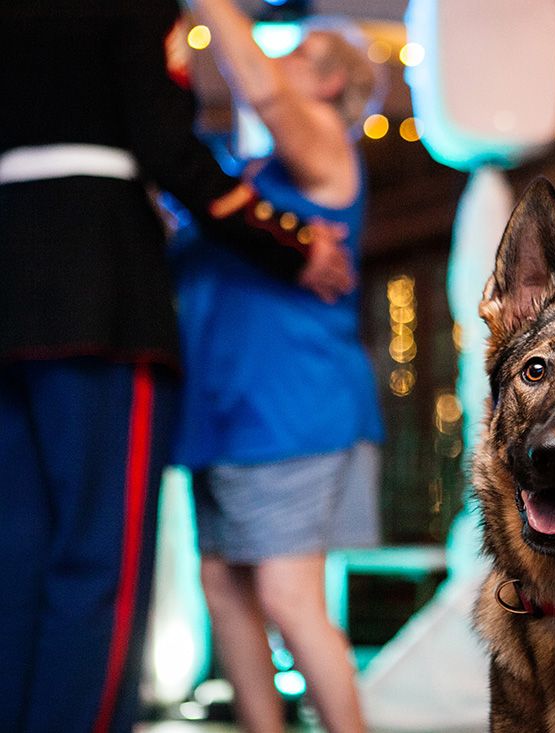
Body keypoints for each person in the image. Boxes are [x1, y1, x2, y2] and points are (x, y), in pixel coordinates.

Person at [0, 2, 355, 732]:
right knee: (96, 561)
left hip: (19, 294)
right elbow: (165, 142)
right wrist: (290, 244)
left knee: (21, 555)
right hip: (99, 295)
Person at [171, 1, 385, 731]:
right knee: (224, 587)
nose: (275, 64)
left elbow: (262, 91)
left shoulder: (323, 146)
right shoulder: (249, 173)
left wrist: (212, 5)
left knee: (289, 595)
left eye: (296, 56)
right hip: (226, 411)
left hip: (290, 405)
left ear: (329, 83)